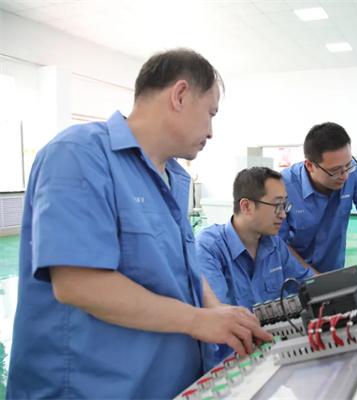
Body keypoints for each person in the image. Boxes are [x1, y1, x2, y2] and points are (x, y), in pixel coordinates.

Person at [6, 48, 271, 399]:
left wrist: (215, 309)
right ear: (179, 95)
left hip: (169, 385)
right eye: (210, 113)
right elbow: (78, 284)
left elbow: (182, 269)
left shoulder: (174, 177)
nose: (211, 131)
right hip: (93, 389)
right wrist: (198, 320)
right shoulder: (79, 153)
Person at [196, 167, 313, 368]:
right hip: (230, 364)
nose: (283, 215)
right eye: (277, 205)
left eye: (285, 205)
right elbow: (222, 316)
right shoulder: (209, 248)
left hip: (273, 355)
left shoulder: (275, 245)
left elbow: (308, 284)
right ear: (247, 206)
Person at [279, 122, 357, 283]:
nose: (344, 175)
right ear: (310, 165)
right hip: (292, 279)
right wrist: (316, 279)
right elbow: (279, 243)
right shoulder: (283, 186)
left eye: (348, 165)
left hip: (333, 275)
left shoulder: (354, 173)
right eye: (334, 171)